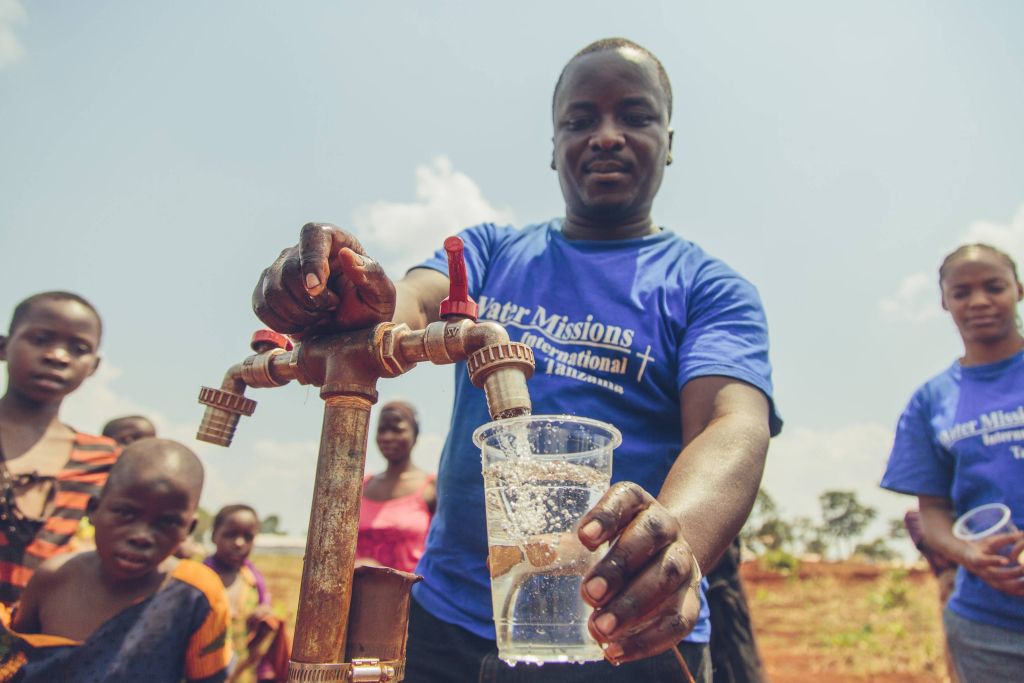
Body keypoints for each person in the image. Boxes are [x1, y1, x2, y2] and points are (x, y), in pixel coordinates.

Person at [252, 37, 781, 682]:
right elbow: (406, 304)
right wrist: (345, 297)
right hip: (451, 624)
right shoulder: (488, 254)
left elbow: (732, 424)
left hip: (623, 628)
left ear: (669, 139)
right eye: (580, 121)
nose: (607, 136)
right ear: (553, 146)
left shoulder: (707, 287)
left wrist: (678, 546)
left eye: (635, 116)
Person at [881, 243, 1024, 681]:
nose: (979, 301)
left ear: (1018, 289)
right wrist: (970, 553)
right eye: (962, 292)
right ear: (945, 301)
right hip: (986, 628)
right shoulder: (931, 401)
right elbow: (934, 511)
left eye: (994, 287)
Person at [1, 438, 231, 682]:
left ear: (189, 528)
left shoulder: (195, 593)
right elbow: (12, 663)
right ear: (93, 509)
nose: (142, 536)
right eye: (126, 513)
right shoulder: (53, 578)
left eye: (167, 522)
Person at [0, 291, 119, 607]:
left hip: (52, 649)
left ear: (93, 366)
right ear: (3, 346)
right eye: (40, 339)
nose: (57, 356)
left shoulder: (107, 461)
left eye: (78, 349)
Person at [205, 504, 290, 683]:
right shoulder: (199, 579)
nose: (239, 543)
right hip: (204, 672)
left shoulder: (253, 582)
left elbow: (264, 613)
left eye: (248, 537)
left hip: (243, 673)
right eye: (230, 535)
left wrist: (263, 616)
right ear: (214, 535)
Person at [356, 400, 436, 572]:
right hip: (358, 594)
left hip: (410, 595)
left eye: (397, 430)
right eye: (382, 430)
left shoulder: (431, 488)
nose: (388, 437)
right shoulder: (361, 486)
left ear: (415, 435)